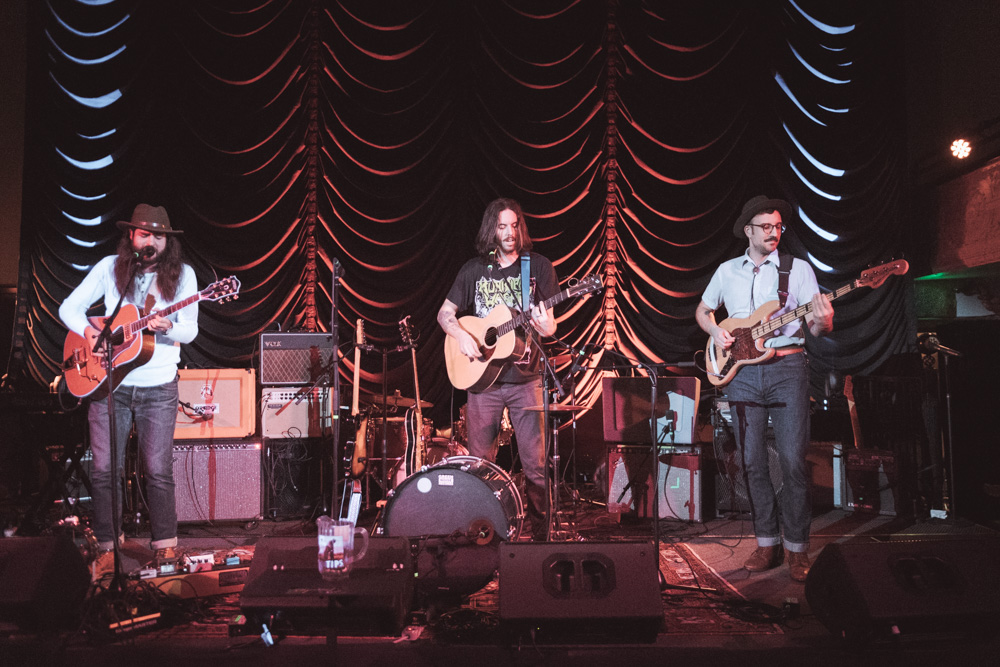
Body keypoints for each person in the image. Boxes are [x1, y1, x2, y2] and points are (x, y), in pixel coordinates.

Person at [695, 195, 834, 582]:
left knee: (791, 462)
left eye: (778, 227)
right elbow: (703, 311)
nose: (774, 233)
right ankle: (766, 541)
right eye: (766, 227)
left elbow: (817, 327)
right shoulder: (727, 271)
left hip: (788, 367)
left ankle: (797, 549)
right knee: (753, 462)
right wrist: (715, 330)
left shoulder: (797, 270)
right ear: (749, 231)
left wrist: (825, 321)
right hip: (742, 374)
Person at [60, 204, 198, 579]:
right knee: (105, 469)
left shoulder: (183, 276)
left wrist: (167, 325)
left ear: (167, 242)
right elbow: (68, 308)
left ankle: (165, 548)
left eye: (158, 235)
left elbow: (190, 330)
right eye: (143, 234)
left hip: (159, 387)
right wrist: (92, 334)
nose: (150, 240)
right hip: (108, 385)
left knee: (157, 470)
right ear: (131, 238)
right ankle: (108, 547)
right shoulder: (109, 268)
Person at [437, 198, 558, 541]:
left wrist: (543, 323)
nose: (509, 232)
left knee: (535, 466)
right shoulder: (473, 270)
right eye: (502, 226)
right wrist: (460, 334)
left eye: (515, 225)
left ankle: (540, 541)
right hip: (482, 383)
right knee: (480, 463)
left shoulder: (538, 267)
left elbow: (551, 328)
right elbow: (445, 314)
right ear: (492, 229)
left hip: (526, 379)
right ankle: (483, 535)